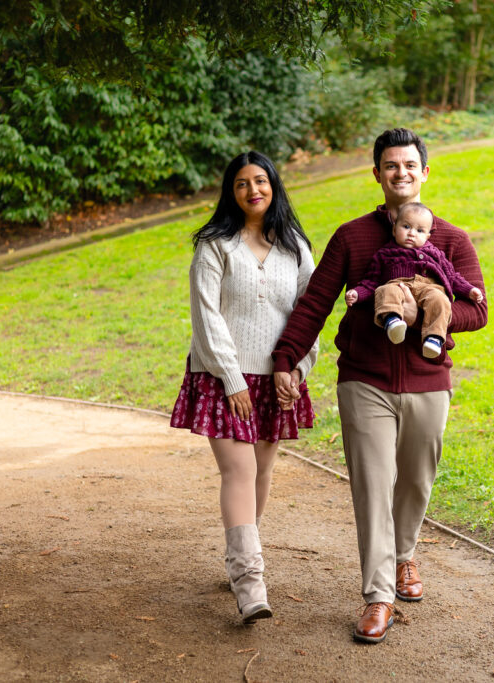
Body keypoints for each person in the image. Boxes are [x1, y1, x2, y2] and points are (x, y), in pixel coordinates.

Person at [272, 129, 487, 643]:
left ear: (425, 172)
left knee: (415, 480)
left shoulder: (451, 239)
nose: (401, 174)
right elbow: (316, 303)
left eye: (410, 165)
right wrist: (287, 358)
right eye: (391, 166)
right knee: (372, 485)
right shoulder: (352, 237)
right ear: (377, 174)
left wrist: (420, 316)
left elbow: (477, 309)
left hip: (428, 382)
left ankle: (405, 555)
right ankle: (378, 594)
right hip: (364, 381)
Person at [169, 150, 318, 624]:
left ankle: (237, 561)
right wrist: (231, 378)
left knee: (261, 473)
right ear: (230, 193)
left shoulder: (294, 245)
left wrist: (297, 368)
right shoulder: (215, 245)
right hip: (221, 376)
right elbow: (205, 315)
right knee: (238, 471)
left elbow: (309, 313)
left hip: (276, 377)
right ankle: (250, 583)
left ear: (273, 185)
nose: (253, 190)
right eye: (241, 184)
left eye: (260, 181)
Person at [344, 201, 484, 359]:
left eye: (419, 230)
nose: (411, 233)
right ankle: (392, 321)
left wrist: (469, 290)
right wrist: (357, 293)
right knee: (384, 291)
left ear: (427, 236)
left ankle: (434, 338)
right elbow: (371, 282)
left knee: (440, 300)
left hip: (429, 288)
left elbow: (451, 276)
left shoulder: (435, 253)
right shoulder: (384, 254)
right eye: (406, 227)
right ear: (394, 228)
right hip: (397, 285)